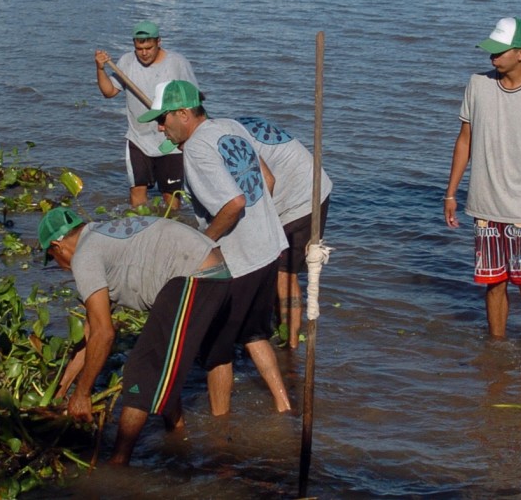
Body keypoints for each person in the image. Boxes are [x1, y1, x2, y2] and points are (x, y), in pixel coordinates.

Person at [143, 80, 292, 415]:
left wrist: (202, 243)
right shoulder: (230, 126)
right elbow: (268, 180)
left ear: (183, 114)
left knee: (216, 350)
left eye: (163, 119)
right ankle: (284, 406)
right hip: (269, 248)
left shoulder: (196, 148)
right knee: (254, 334)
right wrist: (258, 223)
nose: (160, 127)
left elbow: (234, 203)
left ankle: (219, 426)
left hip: (238, 262)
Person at [38, 207, 231, 466]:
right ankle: (178, 436)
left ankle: (119, 462)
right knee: (162, 360)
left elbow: (104, 334)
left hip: (194, 276)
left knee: (140, 371)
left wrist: (82, 395)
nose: (60, 267)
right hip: (216, 269)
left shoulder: (84, 256)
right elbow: (91, 333)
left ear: (57, 246)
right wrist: (62, 391)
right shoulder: (98, 237)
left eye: (52, 258)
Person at [444, 17, 521, 359]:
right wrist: (451, 192)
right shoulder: (477, 85)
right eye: (491, 51)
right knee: (493, 283)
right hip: (484, 205)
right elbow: (464, 140)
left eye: (500, 52)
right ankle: (495, 351)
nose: (492, 57)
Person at [236, 117, 332, 348]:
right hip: (302, 185)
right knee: (273, 268)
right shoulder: (232, 127)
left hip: (303, 198)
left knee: (285, 272)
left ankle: (291, 344)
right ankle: (283, 335)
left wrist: (258, 226)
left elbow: (266, 181)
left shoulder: (224, 143)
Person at [94, 21, 197, 210]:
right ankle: (140, 226)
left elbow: (192, 101)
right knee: (137, 191)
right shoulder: (126, 61)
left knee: (171, 197)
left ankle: (170, 227)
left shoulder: (177, 63)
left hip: (171, 142)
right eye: (139, 48)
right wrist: (100, 69)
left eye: (149, 48)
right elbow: (109, 92)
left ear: (159, 42)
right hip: (138, 139)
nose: (144, 53)